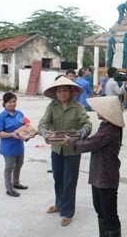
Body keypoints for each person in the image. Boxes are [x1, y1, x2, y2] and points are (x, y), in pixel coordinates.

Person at [62, 96, 125, 237]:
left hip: (107, 175)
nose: (96, 112)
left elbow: (89, 144)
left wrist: (72, 141)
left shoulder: (110, 129)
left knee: (110, 213)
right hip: (98, 172)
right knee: (99, 208)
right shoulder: (106, 125)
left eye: (99, 110)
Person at [38, 76, 92, 227]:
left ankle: (67, 212)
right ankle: (59, 204)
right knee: (58, 179)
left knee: (69, 181)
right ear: (55, 93)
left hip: (72, 150)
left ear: (71, 92)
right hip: (56, 149)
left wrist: (81, 133)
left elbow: (87, 123)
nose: (62, 94)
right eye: (59, 91)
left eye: (64, 91)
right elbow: (43, 123)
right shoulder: (52, 107)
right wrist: (45, 133)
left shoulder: (78, 107)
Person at [0, 92, 34, 197]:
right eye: (9, 102)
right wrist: (11, 134)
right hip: (8, 147)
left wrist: (29, 132)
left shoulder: (19, 113)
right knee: (9, 167)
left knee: (19, 165)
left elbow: (25, 125)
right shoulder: (1, 117)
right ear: (4, 103)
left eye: (14, 101)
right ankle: (9, 188)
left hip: (19, 145)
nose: (12, 104)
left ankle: (16, 183)